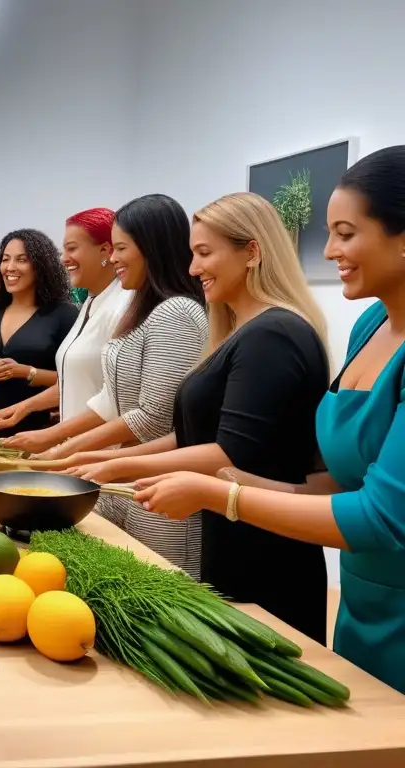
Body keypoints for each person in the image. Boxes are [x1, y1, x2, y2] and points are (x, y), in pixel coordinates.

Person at [132, 146, 405, 694]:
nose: (329, 252)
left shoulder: (277, 333)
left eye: (346, 234)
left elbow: (381, 517)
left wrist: (222, 494)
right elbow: (336, 475)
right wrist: (252, 484)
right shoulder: (372, 324)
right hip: (360, 601)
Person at [60, 193, 330, 643]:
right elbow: (190, 436)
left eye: (205, 253)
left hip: (264, 553)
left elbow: (229, 452)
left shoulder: (274, 334)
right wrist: (107, 463)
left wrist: (118, 464)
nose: (193, 268)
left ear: (252, 252)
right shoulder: (242, 333)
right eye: (191, 254)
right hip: (228, 537)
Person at [6, 195, 207, 576]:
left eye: (120, 248)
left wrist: (67, 455)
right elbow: (109, 398)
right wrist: (56, 446)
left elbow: (151, 417)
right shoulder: (140, 308)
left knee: (155, 593)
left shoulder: (177, 312)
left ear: (151, 248)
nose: (112, 258)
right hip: (122, 479)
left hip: (156, 488)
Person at [0, 208, 132, 435]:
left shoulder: (122, 308)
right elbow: (72, 384)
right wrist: (21, 409)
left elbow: (116, 401)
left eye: (71, 248)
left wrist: (50, 438)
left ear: (104, 251)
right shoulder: (90, 304)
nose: (63, 258)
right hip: (74, 445)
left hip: (96, 449)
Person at [0, 229, 77, 436]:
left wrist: (25, 372)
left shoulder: (63, 314)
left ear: (40, 267)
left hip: (42, 429)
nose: (10, 267)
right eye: (5, 259)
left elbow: (74, 379)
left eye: (21, 260)